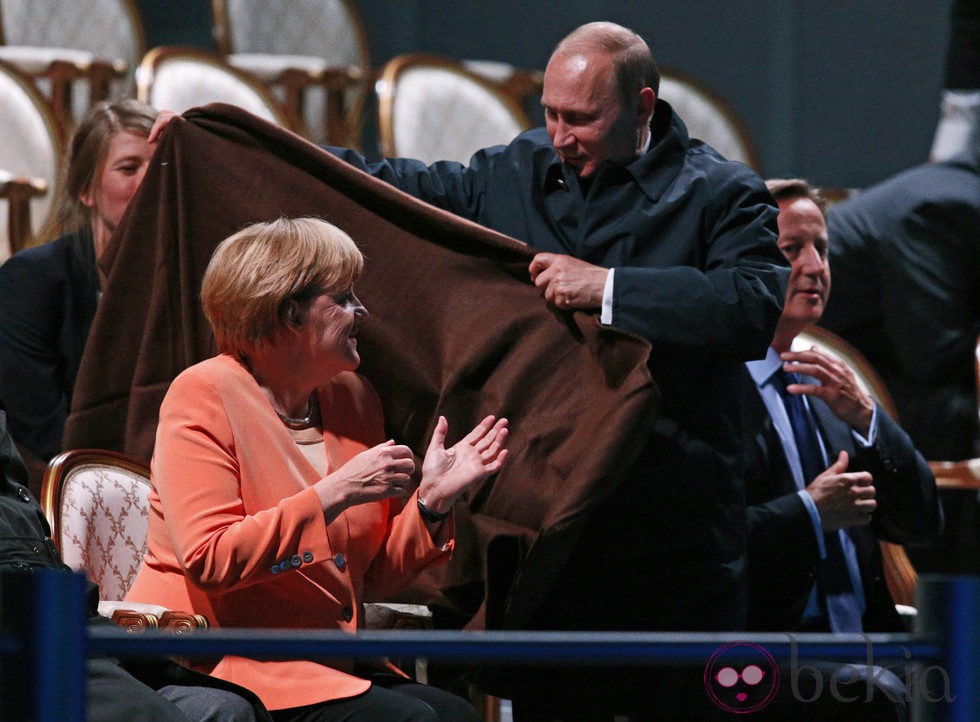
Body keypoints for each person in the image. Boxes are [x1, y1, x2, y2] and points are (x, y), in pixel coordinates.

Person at [147, 22, 786, 717]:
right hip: (552, 504)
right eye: (550, 113)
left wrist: (608, 288)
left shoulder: (721, 191)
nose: (560, 134)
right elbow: (388, 188)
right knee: (553, 701)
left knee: (684, 703)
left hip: (669, 508)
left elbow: (753, 302)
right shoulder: (516, 169)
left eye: (581, 119)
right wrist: (228, 139)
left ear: (642, 107)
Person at [125, 217, 507, 721]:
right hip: (226, 660)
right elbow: (210, 559)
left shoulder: (352, 398)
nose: (361, 310)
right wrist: (335, 493)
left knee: (453, 713)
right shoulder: (204, 394)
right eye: (343, 297)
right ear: (289, 313)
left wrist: (432, 503)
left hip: (327, 662)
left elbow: (369, 578)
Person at [743, 179, 941, 720]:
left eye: (822, 248)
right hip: (763, 655)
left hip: (872, 649)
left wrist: (869, 418)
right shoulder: (711, 395)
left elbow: (923, 522)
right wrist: (808, 512)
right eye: (791, 251)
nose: (815, 266)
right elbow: (700, 548)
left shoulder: (833, 390)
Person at [0, 410, 269, 721]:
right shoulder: (207, 396)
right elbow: (210, 557)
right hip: (26, 637)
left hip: (69, 624)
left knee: (229, 709)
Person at [0, 99, 158, 495]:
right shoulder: (30, 282)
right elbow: (42, 432)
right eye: (128, 168)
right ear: (87, 189)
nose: (149, 182)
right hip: (58, 492)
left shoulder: (191, 283)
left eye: (160, 168)